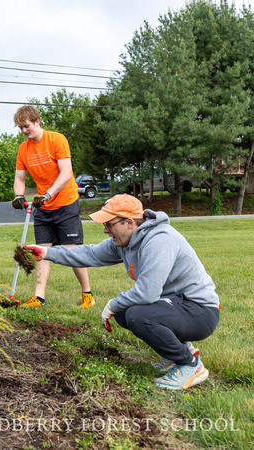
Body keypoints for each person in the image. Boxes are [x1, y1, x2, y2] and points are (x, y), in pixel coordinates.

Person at [24, 193, 220, 390]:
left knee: (137, 315)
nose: (106, 231)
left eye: (109, 224)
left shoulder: (160, 240)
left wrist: (112, 304)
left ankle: (190, 365)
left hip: (199, 311)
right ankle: (176, 353)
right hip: (176, 305)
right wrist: (47, 253)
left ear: (129, 222)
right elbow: (90, 254)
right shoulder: (125, 241)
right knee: (126, 313)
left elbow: (147, 293)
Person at [12, 105, 94, 308]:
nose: (24, 131)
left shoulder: (57, 139)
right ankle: (39, 297)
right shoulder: (24, 149)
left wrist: (48, 194)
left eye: (27, 126)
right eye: (21, 127)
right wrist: (18, 195)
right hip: (43, 208)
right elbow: (19, 177)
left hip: (66, 203)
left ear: (37, 121)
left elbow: (66, 173)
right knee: (42, 252)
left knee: (71, 252)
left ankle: (87, 294)